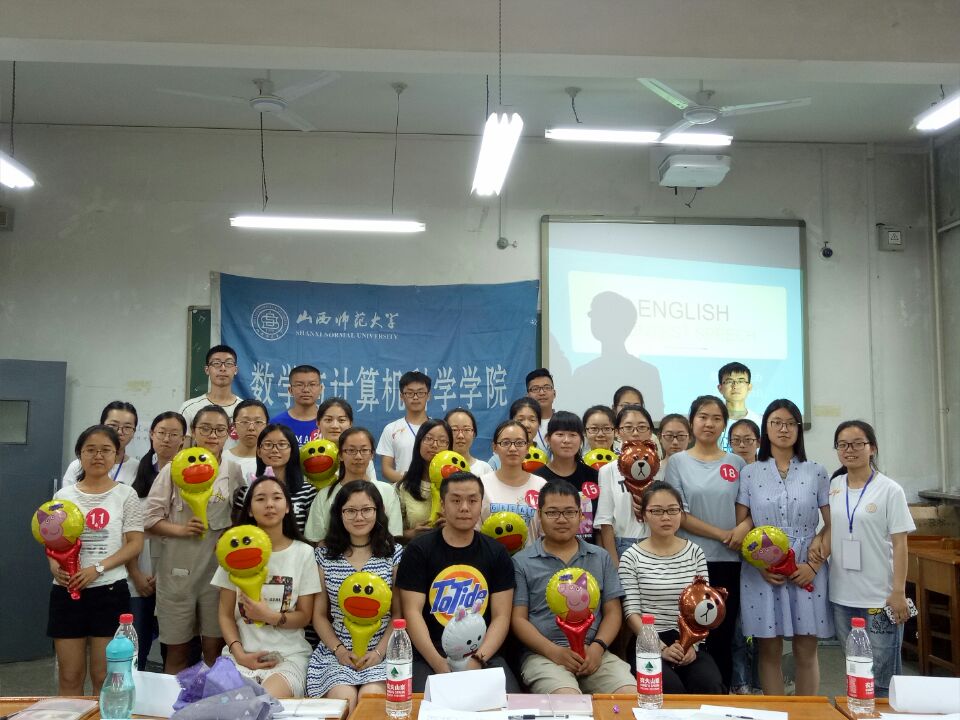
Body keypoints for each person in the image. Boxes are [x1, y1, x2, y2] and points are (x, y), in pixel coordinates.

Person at [735, 399, 833, 696]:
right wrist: (761, 566)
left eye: (791, 423)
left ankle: (806, 714)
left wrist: (814, 565)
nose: (784, 429)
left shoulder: (816, 471)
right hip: (763, 568)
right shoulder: (749, 473)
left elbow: (833, 524)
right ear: (765, 428)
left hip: (807, 564)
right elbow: (744, 528)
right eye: (776, 422)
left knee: (806, 649)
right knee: (769, 650)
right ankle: (777, 712)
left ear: (799, 430)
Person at [810, 420, 914, 698]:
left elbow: (900, 544)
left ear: (872, 448)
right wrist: (819, 539)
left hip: (879, 598)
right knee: (856, 670)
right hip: (842, 596)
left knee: (882, 676)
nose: (850, 450)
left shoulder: (890, 490)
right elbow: (833, 527)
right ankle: (859, 713)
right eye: (843, 445)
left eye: (857, 443)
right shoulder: (834, 485)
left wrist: (898, 592)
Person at [396, 472, 520, 692]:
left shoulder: (497, 552)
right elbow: (412, 612)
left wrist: (478, 659)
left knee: (509, 703)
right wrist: (437, 662)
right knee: (421, 704)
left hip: (483, 653)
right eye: (455, 500)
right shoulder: (418, 550)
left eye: (472, 500)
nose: (464, 507)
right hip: (429, 654)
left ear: (481, 505)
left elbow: (502, 616)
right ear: (443, 505)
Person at [144, 405, 244, 673]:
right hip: (177, 572)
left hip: (217, 573)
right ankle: (173, 701)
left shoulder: (233, 470)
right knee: (177, 653)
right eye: (206, 429)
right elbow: (149, 519)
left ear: (228, 433)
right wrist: (181, 529)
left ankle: (211, 700)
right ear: (193, 431)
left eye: (220, 430)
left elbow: (242, 517)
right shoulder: (174, 469)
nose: (213, 435)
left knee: (214, 650)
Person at [511, 481, 634, 694]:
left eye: (569, 512)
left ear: (581, 515)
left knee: (629, 696)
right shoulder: (521, 561)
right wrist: (554, 652)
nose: (561, 519)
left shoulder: (600, 557)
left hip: (594, 653)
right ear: (539, 515)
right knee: (567, 700)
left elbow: (613, 612)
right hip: (544, 656)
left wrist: (597, 648)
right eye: (552, 513)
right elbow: (518, 619)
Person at [48, 425, 144, 695]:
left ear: (116, 454)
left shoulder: (126, 495)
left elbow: (135, 543)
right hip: (67, 591)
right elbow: (52, 541)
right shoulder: (63, 496)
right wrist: (54, 567)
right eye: (90, 450)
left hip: (109, 592)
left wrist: (98, 568)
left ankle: (103, 714)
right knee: (69, 676)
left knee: (104, 677)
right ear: (80, 454)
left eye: (105, 450)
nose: (98, 456)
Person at [665, 395, 750, 689]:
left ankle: (720, 695)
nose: (709, 423)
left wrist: (743, 528)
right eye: (703, 417)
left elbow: (748, 506)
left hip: (729, 561)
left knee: (724, 634)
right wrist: (723, 534)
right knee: (691, 631)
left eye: (716, 418)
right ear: (692, 421)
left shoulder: (737, 462)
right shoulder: (678, 462)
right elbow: (680, 515)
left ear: (724, 424)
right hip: (691, 561)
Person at [214, 475, 321, 698]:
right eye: (261, 499)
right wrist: (240, 654)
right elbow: (225, 614)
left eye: (277, 498)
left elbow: (305, 616)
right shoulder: (234, 551)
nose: (270, 504)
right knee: (229, 703)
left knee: (265, 701)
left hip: (288, 657)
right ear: (250, 510)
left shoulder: (303, 553)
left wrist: (269, 616)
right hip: (239, 656)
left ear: (288, 507)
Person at [618, 481, 724, 694]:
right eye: (657, 511)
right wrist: (661, 648)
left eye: (673, 510)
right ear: (644, 515)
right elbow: (631, 613)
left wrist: (691, 645)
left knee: (708, 684)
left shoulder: (695, 552)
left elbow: (704, 607)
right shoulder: (631, 557)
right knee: (670, 688)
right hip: (648, 641)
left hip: (689, 639)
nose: (666, 517)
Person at [306, 481, 403, 711]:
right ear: (339, 514)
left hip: (383, 650)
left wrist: (378, 652)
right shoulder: (323, 556)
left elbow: (398, 615)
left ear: (378, 511)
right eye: (350, 510)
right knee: (344, 701)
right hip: (337, 651)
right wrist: (339, 650)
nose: (359, 517)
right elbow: (319, 615)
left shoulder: (394, 553)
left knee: (371, 699)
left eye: (366, 510)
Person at [128, 411, 186, 670]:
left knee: (173, 646)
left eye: (174, 434)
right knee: (135, 643)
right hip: (139, 570)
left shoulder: (191, 474)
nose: (167, 439)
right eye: (161, 432)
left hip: (175, 570)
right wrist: (137, 574)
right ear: (151, 435)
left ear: (183, 439)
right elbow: (129, 530)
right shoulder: (137, 472)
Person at [571, 291, 665, 421]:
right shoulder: (582, 373)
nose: (593, 320)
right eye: (593, 315)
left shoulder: (648, 373)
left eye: (598, 314)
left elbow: (656, 415)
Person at [304, 427, 403, 543]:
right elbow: (316, 539)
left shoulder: (387, 491)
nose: (358, 456)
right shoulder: (324, 495)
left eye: (364, 450)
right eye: (351, 450)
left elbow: (393, 536)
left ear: (372, 454)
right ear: (340, 455)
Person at [595, 404, 656, 565]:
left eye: (642, 427)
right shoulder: (608, 470)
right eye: (628, 427)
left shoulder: (660, 469)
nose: (635, 433)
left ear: (650, 432)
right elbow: (605, 521)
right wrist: (614, 563)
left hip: (657, 543)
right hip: (623, 545)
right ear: (617, 432)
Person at [230, 423, 317, 534]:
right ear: (259, 451)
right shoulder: (246, 492)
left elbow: (312, 534)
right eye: (268, 444)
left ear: (292, 450)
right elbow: (239, 531)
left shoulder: (308, 491)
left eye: (282, 444)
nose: (275, 450)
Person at [533, 412, 599, 543]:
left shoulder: (593, 476)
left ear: (581, 440)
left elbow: (600, 525)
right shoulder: (537, 479)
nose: (566, 440)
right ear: (548, 439)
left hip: (588, 551)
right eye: (560, 434)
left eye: (573, 435)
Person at [480, 420, 547, 536]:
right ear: (494, 447)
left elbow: (545, 533)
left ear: (527, 447)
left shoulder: (541, 485)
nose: (512, 448)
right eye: (505, 443)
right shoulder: (481, 484)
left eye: (519, 443)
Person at [395, 420, 453, 542]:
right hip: (414, 549)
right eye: (429, 439)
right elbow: (392, 533)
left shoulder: (458, 485)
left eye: (442, 441)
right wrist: (411, 534)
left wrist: (454, 525)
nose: (435, 445)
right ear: (419, 443)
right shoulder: (403, 487)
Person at [62, 401, 139, 487]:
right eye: (113, 425)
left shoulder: (137, 468)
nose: (119, 432)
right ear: (101, 426)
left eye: (127, 427)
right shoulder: (78, 466)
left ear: (134, 432)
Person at [179, 345, 242, 445]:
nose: (223, 368)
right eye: (216, 363)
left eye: (229, 363)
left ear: (236, 370)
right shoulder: (189, 408)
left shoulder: (243, 410)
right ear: (207, 370)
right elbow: (183, 450)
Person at [377, 371, 432, 483]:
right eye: (410, 393)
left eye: (420, 393)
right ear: (402, 396)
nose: (415, 397)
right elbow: (386, 469)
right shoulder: (391, 429)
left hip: (433, 489)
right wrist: (409, 482)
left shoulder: (438, 428)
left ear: (428, 396)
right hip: (402, 489)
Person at [311, 398, 377, 482]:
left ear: (350, 424)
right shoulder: (310, 453)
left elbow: (371, 485)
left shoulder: (361, 454)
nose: (335, 426)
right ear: (318, 423)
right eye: (328, 420)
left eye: (341, 420)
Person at [487, 397, 547, 470]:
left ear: (539, 424)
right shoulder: (496, 460)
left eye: (532, 420)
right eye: (520, 420)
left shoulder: (545, 456)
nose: (526, 425)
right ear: (511, 422)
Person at [271, 365, 324, 445]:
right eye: (299, 385)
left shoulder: (328, 423)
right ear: (290, 390)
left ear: (320, 388)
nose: (306, 390)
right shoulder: (277, 423)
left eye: (312, 384)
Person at [717, 362, 762, 452]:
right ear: (720, 388)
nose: (735, 386)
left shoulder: (760, 421)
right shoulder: (712, 422)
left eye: (741, 381)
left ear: (749, 387)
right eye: (729, 381)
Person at [225, 399, 269, 480]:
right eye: (244, 422)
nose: (251, 428)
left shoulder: (272, 461)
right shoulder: (222, 459)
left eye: (258, 422)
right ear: (234, 426)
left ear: (267, 426)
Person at [444, 407, 493, 476]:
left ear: (474, 434)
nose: (460, 436)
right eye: (454, 430)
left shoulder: (484, 469)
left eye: (466, 430)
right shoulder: (438, 467)